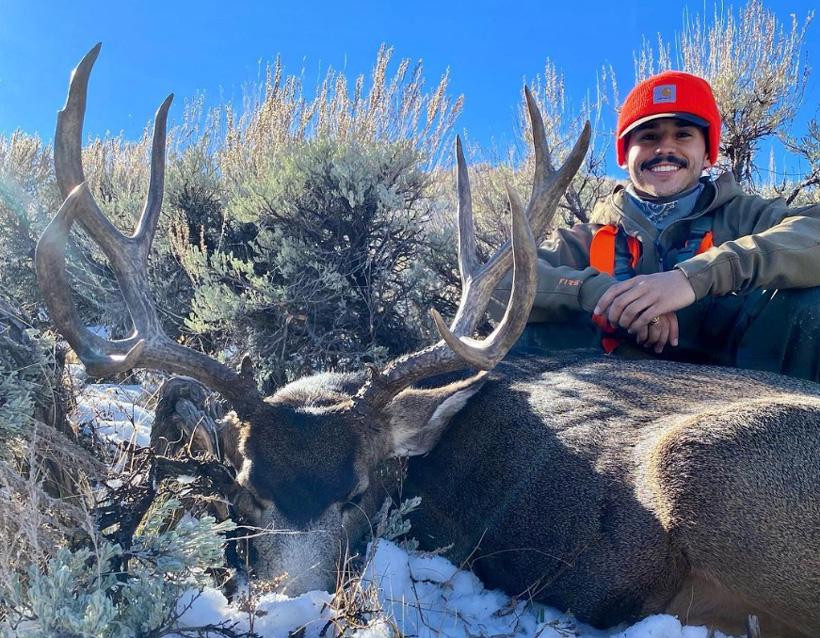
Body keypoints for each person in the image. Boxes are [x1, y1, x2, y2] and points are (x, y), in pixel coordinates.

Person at [493, 70, 820, 381]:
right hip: (609, 395)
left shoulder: (745, 216)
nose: (665, 148)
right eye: (648, 136)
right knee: (522, 327)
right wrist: (603, 295)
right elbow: (498, 283)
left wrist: (693, 279)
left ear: (708, 154)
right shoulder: (588, 238)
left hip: (746, 391)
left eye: (683, 135)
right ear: (624, 156)